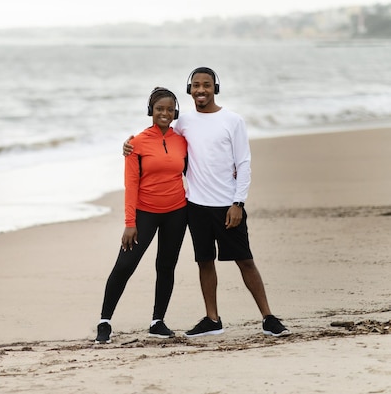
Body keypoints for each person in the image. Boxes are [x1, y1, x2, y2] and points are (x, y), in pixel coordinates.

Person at [123, 67, 290, 337]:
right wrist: (129, 143)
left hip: (227, 206)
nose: (201, 90)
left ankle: (268, 317)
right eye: (196, 85)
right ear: (190, 89)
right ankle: (213, 320)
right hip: (196, 206)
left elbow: (243, 163)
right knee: (205, 262)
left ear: (215, 88)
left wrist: (239, 202)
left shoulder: (232, 120)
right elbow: (159, 132)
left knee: (245, 261)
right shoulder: (184, 122)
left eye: (207, 85)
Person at [95, 87, 189, 344]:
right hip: (144, 214)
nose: (165, 113)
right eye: (160, 109)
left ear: (175, 112)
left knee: (166, 266)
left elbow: (197, 169)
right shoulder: (135, 143)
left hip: (177, 213)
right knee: (125, 265)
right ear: (151, 111)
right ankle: (104, 322)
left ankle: (157, 321)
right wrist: (129, 222)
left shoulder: (181, 140)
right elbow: (131, 185)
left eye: (170, 109)